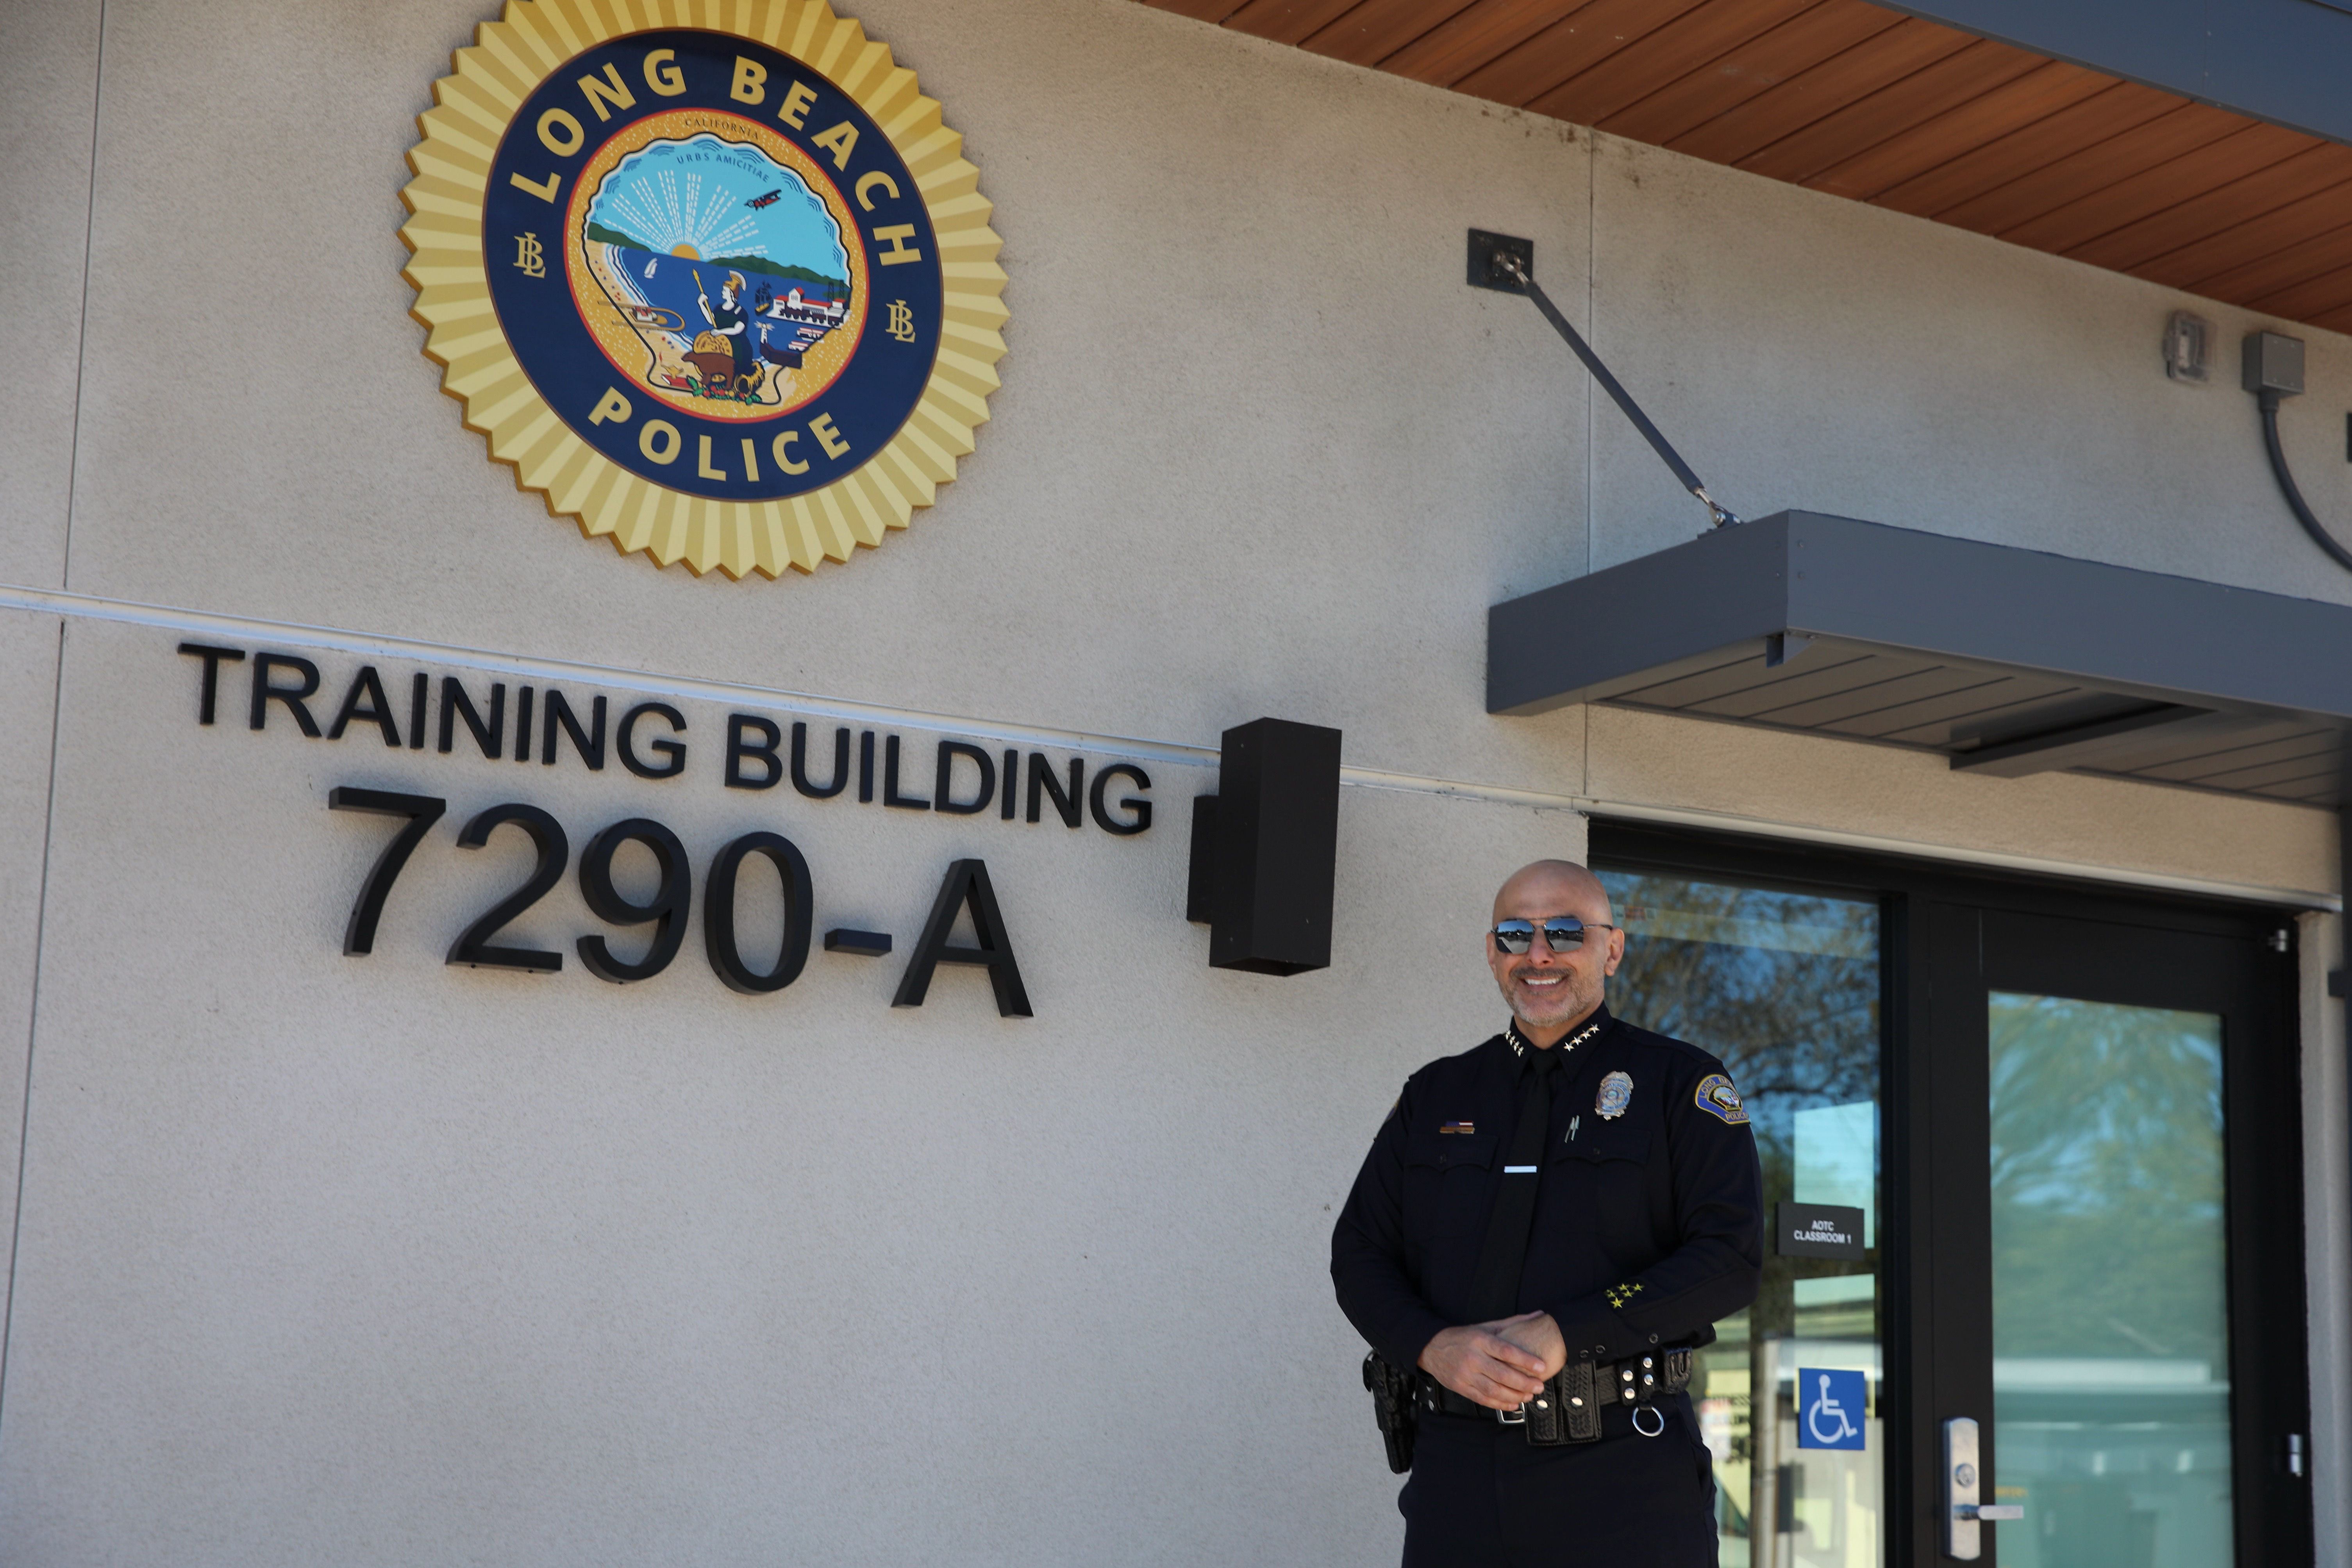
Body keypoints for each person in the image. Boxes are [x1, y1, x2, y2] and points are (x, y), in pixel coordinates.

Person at [1331, 859, 1762, 1568]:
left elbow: (1729, 1258)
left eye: (1564, 932)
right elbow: (1359, 1253)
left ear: (1612, 949)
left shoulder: (1678, 1083)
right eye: (1514, 934)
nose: (1538, 954)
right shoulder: (1436, 1094)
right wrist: (1431, 1343)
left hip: (1622, 1470)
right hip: (1456, 1475)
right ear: (1491, 952)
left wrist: (1571, 1330)